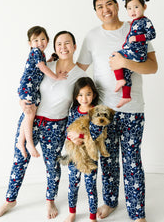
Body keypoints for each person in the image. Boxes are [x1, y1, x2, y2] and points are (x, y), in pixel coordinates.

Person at [75, 0, 158, 222]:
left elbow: (152, 67)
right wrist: (52, 69)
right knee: (108, 159)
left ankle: (137, 212)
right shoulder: (92, 36)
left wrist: (125, 62)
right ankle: (110, 201)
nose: (105, 9)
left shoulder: (135, 28)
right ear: (96, 11)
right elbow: (78, 71)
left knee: (132, 161)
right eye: (100, 6)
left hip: (132, 108)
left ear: (117, 6)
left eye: (109, 4)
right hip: (104, 112)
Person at [0, 31, 87, 220]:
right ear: (54, 47)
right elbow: (27, 83)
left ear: (74, 47)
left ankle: (50, 199)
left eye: (67, 43)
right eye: (59, 44)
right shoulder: (46, 65)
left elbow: (81, 106)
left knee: (52, 165)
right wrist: (21, 101)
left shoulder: (80, 76)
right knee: (20, 158)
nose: (63, 47)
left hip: (56, 126)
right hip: (32, 120)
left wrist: (77, 132)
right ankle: (10, 199)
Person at [17, 26, 67, 159]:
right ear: (30, 44)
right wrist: (56, 77)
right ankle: (28, 143)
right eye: (35, 40)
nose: (40, 43)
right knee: (30, 114)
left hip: (32, 88)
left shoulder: (40, 54)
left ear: (48, 40)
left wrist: (50, 60)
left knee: (29, 113)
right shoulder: (35, 52)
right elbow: (42, 67)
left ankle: (20, 142)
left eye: (43, 39)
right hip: (28, 87)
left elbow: (41, 66)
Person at [63, 77, 100, 222]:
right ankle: (72, 212)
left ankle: (92, 217)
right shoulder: (73, 111)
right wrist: (73, 138)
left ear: (94, 95)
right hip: (74, 155)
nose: (84, 98)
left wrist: (81, 136)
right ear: (75, 96)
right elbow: (68, 129)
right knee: (73, 184)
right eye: (80, 95)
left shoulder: (96, 112)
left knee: (91, 186)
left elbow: (96, 133)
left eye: (88, 94)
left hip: (90, 155)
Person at [114, 0, 156, 108]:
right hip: (134, 52)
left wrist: (137, 38)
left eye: (136, 7)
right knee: (126, 72)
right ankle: (126, 96)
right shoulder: (135, 21)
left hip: (137, 53)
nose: (133, 11)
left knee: (115, 56)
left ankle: (119, 80)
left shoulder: (145, 21)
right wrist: (132, 24)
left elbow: (152, 34)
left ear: (144, 6)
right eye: (129, 8)